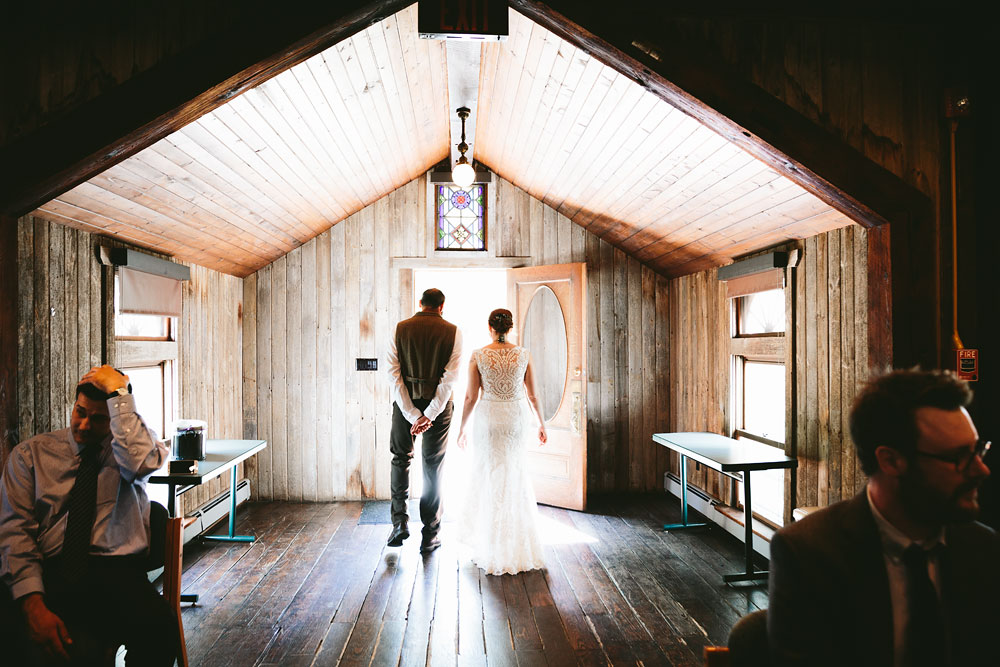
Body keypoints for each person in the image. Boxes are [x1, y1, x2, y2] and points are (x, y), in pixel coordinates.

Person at [767, 368, 999, 667]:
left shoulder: (981, 547)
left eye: (978, 450)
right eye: (958, 458)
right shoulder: (808, 554)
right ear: (890, 460)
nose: (982, 470)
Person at [0, 365, 175, 666]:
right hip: (49, 567)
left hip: (114, 571)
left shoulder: (127, 453)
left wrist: (119, 394)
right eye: (80, 412)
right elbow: (14, 532)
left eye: (98, 418)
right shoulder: (30, 456)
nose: (83, 426)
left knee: (159, 628)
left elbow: (141, 461)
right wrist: (32, 603)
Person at [455, 308, 547, 575]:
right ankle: (517, 545)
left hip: (489, 418)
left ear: (489, 327)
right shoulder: (524, 355)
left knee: (490, 474)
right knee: (515, 474)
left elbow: (471, 397)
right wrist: (541, 423)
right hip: (516, 419)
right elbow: (533, 395)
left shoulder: (479, 355)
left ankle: (490, 544)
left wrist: (461, 427)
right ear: (511, 327)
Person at [385, 288, 463, 553]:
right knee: (433, 466)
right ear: (442, 306)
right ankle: (430, 534)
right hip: (438, 410)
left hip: (405, 406)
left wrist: (412, 414)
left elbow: (393, 375)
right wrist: (429, 415)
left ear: (420, 304)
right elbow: (449, 380)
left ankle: (399, 523)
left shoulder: (400, 329)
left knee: (400, 459)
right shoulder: (453, 332)